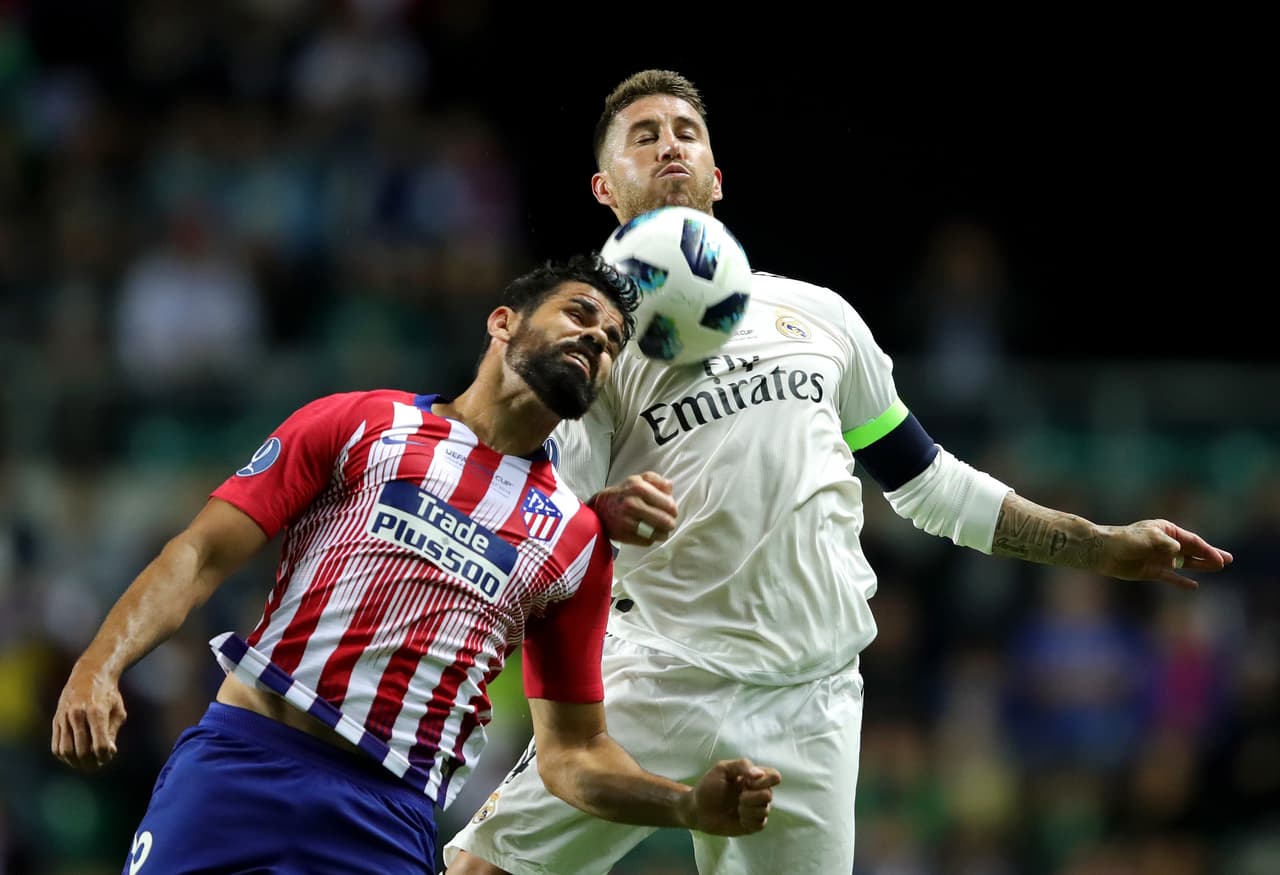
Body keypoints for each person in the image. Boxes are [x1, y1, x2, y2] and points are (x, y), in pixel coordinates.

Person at [442, 70, 1235, 875]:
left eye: (686, 130)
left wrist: (1098, 545)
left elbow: (928, 483)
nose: (669, 143)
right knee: (483, 871)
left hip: (809, 702)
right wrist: (602, 511)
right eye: (643, 136)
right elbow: (546, 510)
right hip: (657, 674)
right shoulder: (589, 344)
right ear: (605, 189)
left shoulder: (820, 316)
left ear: (717, 174)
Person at [49, 252, 782, 875]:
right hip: (244, 763)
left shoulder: (577, 538)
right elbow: (200, 553)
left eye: (615, 340)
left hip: (387, 816)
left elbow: (573, 753)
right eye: (581, 313)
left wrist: (684, 803)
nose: (598, 338)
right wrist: (99, 663)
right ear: (503, 323)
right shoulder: (364, 423)